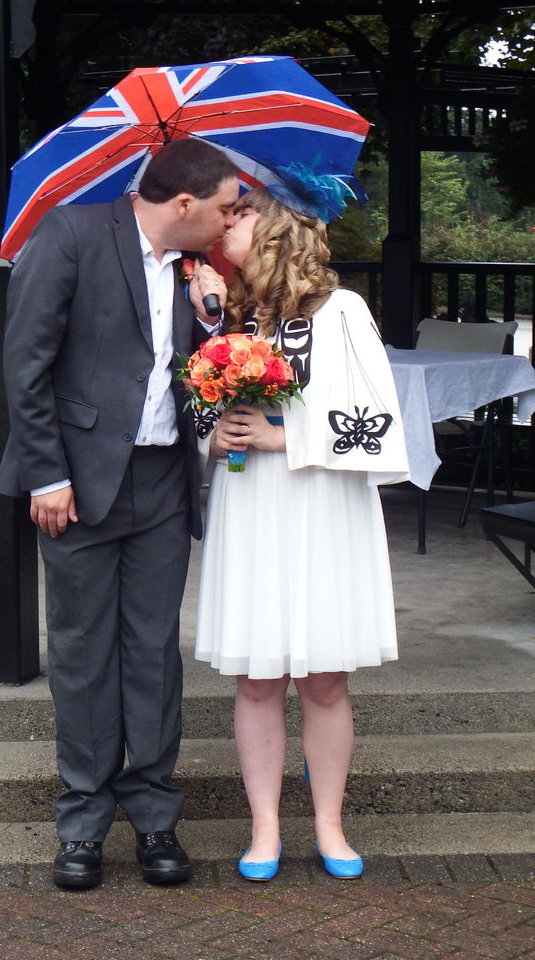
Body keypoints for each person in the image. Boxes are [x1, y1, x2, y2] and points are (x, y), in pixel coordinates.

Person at [0, 138, 241, 890]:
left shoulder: (201, 277)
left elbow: (208, 378)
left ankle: (157, 820)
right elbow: (25, 362)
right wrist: (45, 474)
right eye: (229, 208)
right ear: (184, 204)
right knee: (80, 654)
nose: (236, 222)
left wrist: (213, 318)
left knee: (152, 652)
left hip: (165, 485)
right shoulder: (70, 234)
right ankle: (82, 827)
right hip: (78, 485)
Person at [191, 183, 409, 882]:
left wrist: (287, 437)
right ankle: (263, 829)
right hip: (251, 509)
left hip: (320, 509)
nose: (225, 222)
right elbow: (195, 418)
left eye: (241, 211)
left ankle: (329, 825)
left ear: (279, 225)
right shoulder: (228, 317)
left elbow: (378, 425)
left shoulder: (342, 312)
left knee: (322, 682)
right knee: (257, 681)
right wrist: (215, 431)